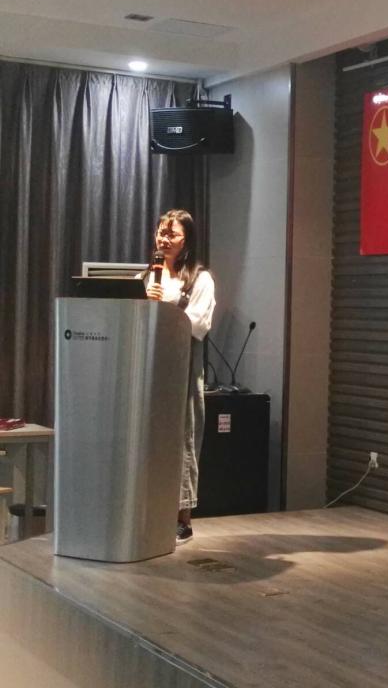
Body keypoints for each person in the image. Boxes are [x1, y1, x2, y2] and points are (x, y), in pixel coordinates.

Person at [145, 209, 215, 545]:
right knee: (150, 438)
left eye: (172, 234)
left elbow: (197, 325)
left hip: (183, 367)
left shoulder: (200, 279)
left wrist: (166, 306)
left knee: (184, 438)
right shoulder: (148, 276)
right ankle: (150, 509)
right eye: (161, 232)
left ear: (187, 240)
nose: (164, 239)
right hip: (149, 366)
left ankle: (182, 517)